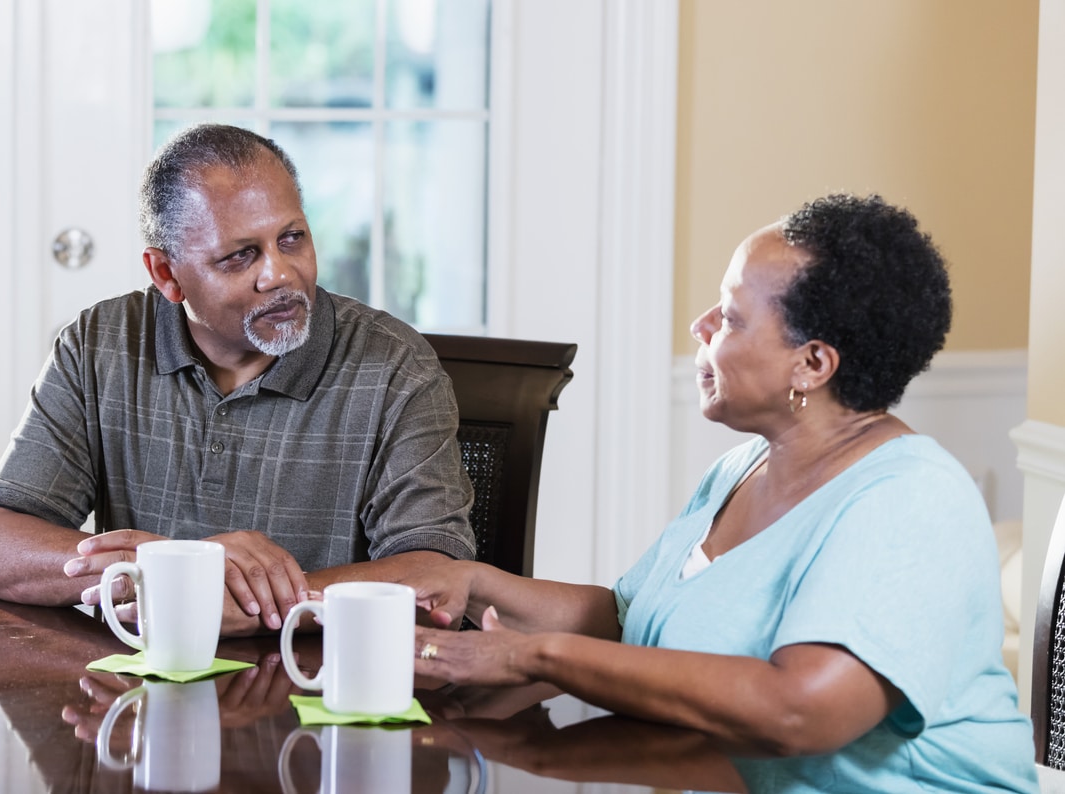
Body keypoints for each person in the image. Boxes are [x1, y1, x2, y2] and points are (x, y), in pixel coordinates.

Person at [408, 194, 1038, 791]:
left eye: (730, 316)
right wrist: (473, 580)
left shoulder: (910, 500)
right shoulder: (745, 466)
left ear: (812, 365)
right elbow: (633, 621)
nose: (700, 325)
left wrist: (533, 656)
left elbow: (802, 711)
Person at [0, 123, 475, 636]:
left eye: (292, 238)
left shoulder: (396, 366)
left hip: (318, 692)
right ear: (166, 274)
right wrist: (174, 572)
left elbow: (435, 580)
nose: (279, 273)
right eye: (241, 255)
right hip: (136, 698)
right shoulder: (99, 343)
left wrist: (251, 607)